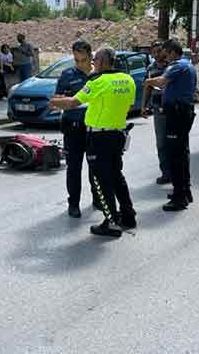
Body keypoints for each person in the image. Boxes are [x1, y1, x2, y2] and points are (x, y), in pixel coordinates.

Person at [50, 47, 136, 238]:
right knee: (117, 177)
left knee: (100, 180)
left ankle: (111, 222)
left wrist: (55, 103)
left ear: (102, 61)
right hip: (117, 135)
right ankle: (129, 216)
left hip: (98, 137)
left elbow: (73, 102)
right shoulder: (128, 80)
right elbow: (129, 105)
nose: (92, 63)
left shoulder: (97, 81)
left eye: (94, 59)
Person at [144, 39, 197, 211]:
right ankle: (183, 191)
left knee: (175, 155)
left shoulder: (178, 66)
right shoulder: (185, 65)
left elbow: (161, 82)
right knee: (181, 153)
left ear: (173, 52)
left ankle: (179, 197)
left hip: (177, 113)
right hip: (181, 112)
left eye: (166, 53)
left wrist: (148, 81)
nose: (164, 57)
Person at [55, 40, 101, 218]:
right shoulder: (67, 75)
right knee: (73, 168)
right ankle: (73, 203)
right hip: (73, 128)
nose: (80, 64)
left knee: (95, 167)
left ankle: (98, 198)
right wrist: (67, 102)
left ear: (91, 56)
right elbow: (58, 99)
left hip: (95, 128)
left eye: (83, 59)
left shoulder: (99, 74)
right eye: (77, 60)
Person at [140, 42, 170, 185]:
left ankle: (178, 173)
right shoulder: (151, 68)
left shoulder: (171, 66)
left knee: (175, 142)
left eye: (159, 51)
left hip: (172, 108)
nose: (157, 54)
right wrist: (143, 106)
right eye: (154, 52)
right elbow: (147, 87)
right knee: (161, 143)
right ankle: (165, 173)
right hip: (158, 109)